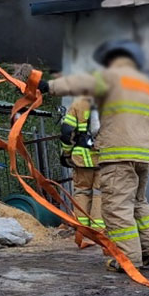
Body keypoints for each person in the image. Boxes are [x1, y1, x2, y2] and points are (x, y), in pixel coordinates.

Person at [38, 40, 149, 269]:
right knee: (138, 202)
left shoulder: (109, 78)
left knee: (117, 208)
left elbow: (77, 83)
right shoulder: (146, 87)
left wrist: (47, 87)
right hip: (143, 157)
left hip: (117, 155)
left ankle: (128, 259)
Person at [59, 95, 101, 232]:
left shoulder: (78, 103)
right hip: (104, 158)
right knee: (100, 193)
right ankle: (98, 230)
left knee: (82, 191)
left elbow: (66, 132)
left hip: (82, 158)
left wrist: (66, 154)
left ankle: (82, 230)